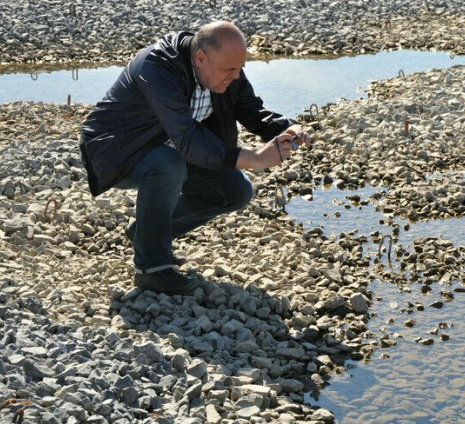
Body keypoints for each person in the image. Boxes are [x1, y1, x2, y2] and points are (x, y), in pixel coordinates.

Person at [80, 21, 310, 295]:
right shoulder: (157, 68)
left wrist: (284, 129)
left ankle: (147, 233)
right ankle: (151, 269)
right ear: (200, 58)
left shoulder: (223, 68)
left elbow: (250, 109)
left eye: (240, 69)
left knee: (235, 190)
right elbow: (188, 140)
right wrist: (257, 158)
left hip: (171, 146)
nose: (236, 77)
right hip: (115, 150)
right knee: (167, 164)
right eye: (230, 70)